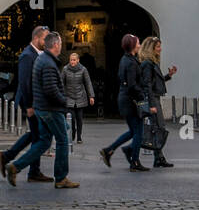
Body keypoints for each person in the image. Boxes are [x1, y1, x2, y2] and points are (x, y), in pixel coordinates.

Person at [6, 32, 78, 188]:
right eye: (60, 44)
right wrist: (66, 102)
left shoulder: (42, 59)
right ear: (56, 45)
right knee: (62, 141)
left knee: (43, 142)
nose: (61, 47)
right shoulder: (49, 64)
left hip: (42, 108)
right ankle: (61, 178)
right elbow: (51, 90)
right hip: (50, 109)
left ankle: (15, 166)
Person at [0, 26, 53, 183]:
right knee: (39, 137)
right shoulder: (27, 56)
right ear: (36, 38)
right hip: (31, 103)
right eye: (45, 39)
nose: (47, 42)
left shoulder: (36, 54)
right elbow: (25, 82)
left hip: (36, 102)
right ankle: (24, 166)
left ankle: (16, 161)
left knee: (35, 136)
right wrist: (29, 106)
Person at [100, 33, 152, 171]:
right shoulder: (129, 62)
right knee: (138, 132)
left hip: (127, 100)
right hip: (131, 102)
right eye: (138, 43)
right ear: (132, 45)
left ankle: (111, 150)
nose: (140, 45)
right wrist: (143, 97)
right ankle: (134, 161)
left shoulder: (128, 60)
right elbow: (132, 85)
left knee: (133, 131)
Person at [138, 37, 176, 168]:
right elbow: (147, 84)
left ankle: (159, 157)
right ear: (151, 48)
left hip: (155, 97)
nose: (160, 49)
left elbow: (155, 82)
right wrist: (152, 104)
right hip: (153, 98)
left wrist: (168, 76)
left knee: (157, 128)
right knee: (159, 127)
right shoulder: (148, 64)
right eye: (158, 47)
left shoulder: (152, 63)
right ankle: (156, 157)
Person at [63, 50, 95, 144]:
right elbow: (61, 82)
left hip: (80, 96)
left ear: (78, 60)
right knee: (71, 118)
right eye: (71, 60)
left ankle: (79, 137)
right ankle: (73, 132)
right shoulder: (65, 69)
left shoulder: (83, 69)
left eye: (74, 60)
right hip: (69, 96)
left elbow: (88, 83)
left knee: (79, 118)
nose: (72, 62)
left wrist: (91, 96)